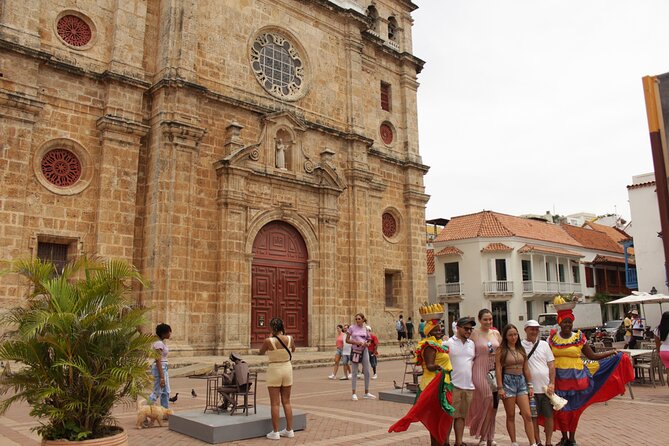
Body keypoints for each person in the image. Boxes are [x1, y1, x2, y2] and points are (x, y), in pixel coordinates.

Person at [548, 301, 634, 446]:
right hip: (559, 380)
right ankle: (564, 438)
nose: (567, 325)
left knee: (575, 410)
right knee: (560, 409)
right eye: (565, 322)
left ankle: (572, 438)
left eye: (570, 322)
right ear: (559, 323)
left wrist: (612, 353)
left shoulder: (579, 337)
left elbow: (592, 356)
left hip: (577, 380)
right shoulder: (552, 339)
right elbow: (547, 358)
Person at [389, 318, 455, 445]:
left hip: (442, 383)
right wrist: (439, 368)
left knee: (444, 416)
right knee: (438, 417)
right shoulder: (429, 346)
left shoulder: (438, 343)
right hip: (433, 385)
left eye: (440, 329)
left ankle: (443, 442)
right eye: (436, 330)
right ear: (429, 332)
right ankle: (441, 442)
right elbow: (430, 365)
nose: (439, 331)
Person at [496, 324, 537, 446]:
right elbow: (498, 369)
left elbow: (526, 369)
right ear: (506, 336)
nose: (513, 337)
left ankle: (532, 442)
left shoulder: (521, 349)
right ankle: (514, 442)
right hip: (508, 381)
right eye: (510, 335)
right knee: (510, 415)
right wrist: (500, 387)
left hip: (521, 381)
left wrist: (530, 385)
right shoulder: (501, 350)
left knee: (528, 415)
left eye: (515, 334)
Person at [466, 309, 502, 446]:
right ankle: (480, 432)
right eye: (485, 319)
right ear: (480, 320)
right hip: (479, 369)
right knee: (488, 398)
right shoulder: (474, 334)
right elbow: (468, 350)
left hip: (494, 370)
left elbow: (501, 350)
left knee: (494, 406)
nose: (488, 322)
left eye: (490, 319)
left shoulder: (496, 333)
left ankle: (490, 437)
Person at [259, 317, 296, 440]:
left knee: (275, 403)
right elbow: (293, 350)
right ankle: (289, 430)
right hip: (287, 368)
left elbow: (261, 352)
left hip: (274, 370)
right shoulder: (290, 338)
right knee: (287, 401)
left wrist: (271, 338)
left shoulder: (269, 341)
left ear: (272, 328)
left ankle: (275, 432)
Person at [522, 320, 556, 446]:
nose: (534, 332)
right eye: (532, 329)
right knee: (533, 418)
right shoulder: (521, 346)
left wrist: (552, 383)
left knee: (549, 416)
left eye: (536, 329)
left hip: (546, 388)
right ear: (526, 330)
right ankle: (538, 441)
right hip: (530, 389)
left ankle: (548, 442)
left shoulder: (544, 345)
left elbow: (551, 365)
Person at [445, 317, 477, 446]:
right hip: (453, 385)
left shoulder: (472, 344)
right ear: (458, 328)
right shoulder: (448, 343)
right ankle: (445, 442)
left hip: (468, 386)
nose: (469, 331)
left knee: (461, 417)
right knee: (448, 417)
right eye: (466, 328)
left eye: (471, 329)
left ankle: (458, 442)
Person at [347, 313, 375, 400]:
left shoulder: (366, 329)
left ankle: (366, 392)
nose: (357, 320)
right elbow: (347, 340)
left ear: (363, 320)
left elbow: (369, 339)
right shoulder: (351, 328)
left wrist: (367, 344)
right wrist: (356, 343)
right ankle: (353, 393)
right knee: (354, 372)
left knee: (367, 371)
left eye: (359, 319)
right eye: (356, 319)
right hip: (355, 351)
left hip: (364, 351)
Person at [149, 323, 172, 409]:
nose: (170, 333)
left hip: (164, 368)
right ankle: (146, 410)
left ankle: (165, 412)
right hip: (160, 369)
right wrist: (162, 377)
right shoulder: (158, 343)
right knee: (157, 392)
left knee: (165, 392)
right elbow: (158, 360)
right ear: (163, 333)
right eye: (169, 332)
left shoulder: (161, 342)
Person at [653, 311, 669, 389]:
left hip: (663, 352)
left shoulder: (657, 329)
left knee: (668, 373)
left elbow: (657, 343)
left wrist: (659, 352)